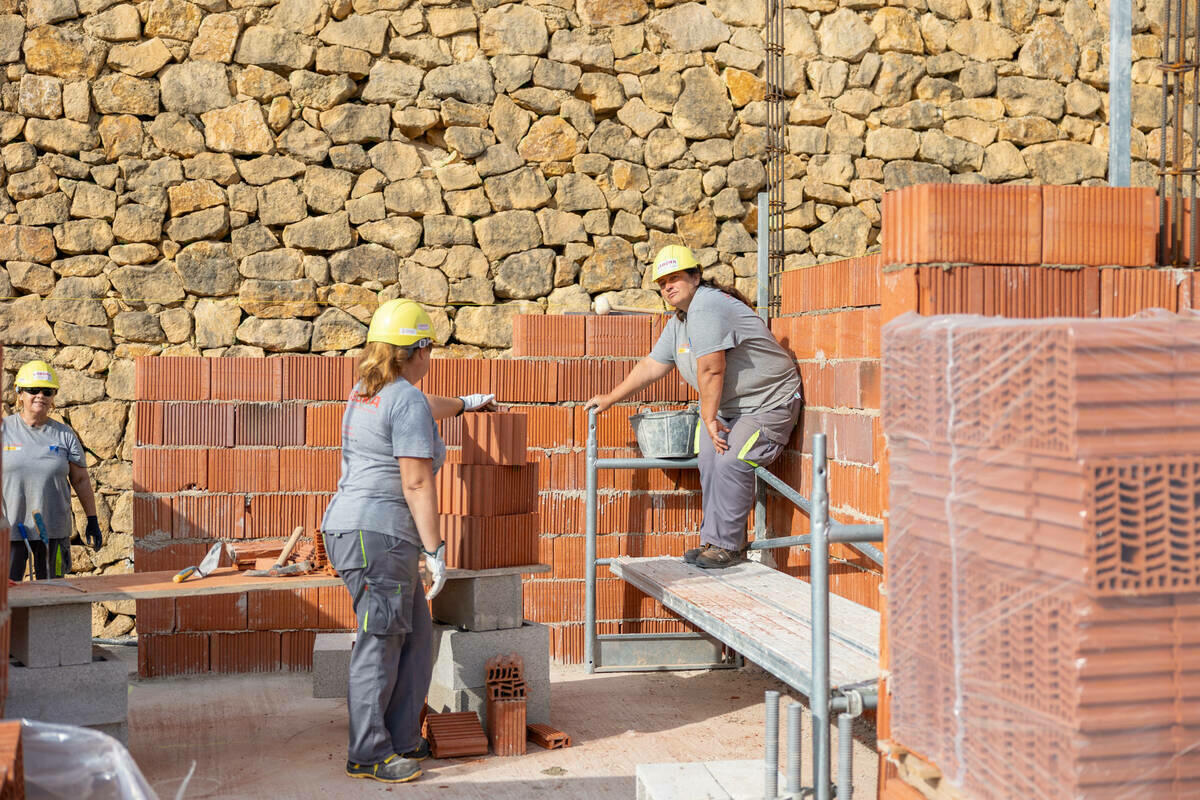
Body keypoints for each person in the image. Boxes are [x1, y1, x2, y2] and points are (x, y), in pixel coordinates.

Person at [321, 298, 495, 784]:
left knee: (416, 637)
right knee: (380, 641)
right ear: (419, 350)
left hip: (354, 529)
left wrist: (466, 404)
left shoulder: (367, 389)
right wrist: (435, 551)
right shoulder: (406, 400)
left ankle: (400, 738)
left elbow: (420, 405)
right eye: (431, 347)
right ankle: (367, 753)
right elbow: (417, 483)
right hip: (377, 537)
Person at [586, 245, 803, 569]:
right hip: (731, 408)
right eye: (662, 282)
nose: (668, 286)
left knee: (731, 459)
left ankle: (729, 546)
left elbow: (712, 369)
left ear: (696, 276)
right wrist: (610, 398)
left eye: (675, 278)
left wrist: (709, 416)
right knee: (709, 458)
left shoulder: (707, 306)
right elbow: (653, 365)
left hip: (768, 403)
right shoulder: (680, 320)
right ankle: (715, 541)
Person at [2, 361, 103, 581]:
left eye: (47, 391)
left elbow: (81, 480)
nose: (40, 395)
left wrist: (92, 519)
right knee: (8, 596)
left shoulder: (64, 435)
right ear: (19, 394)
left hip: (53, 533)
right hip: (10, 532)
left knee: (54, 594)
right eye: (33, 390)